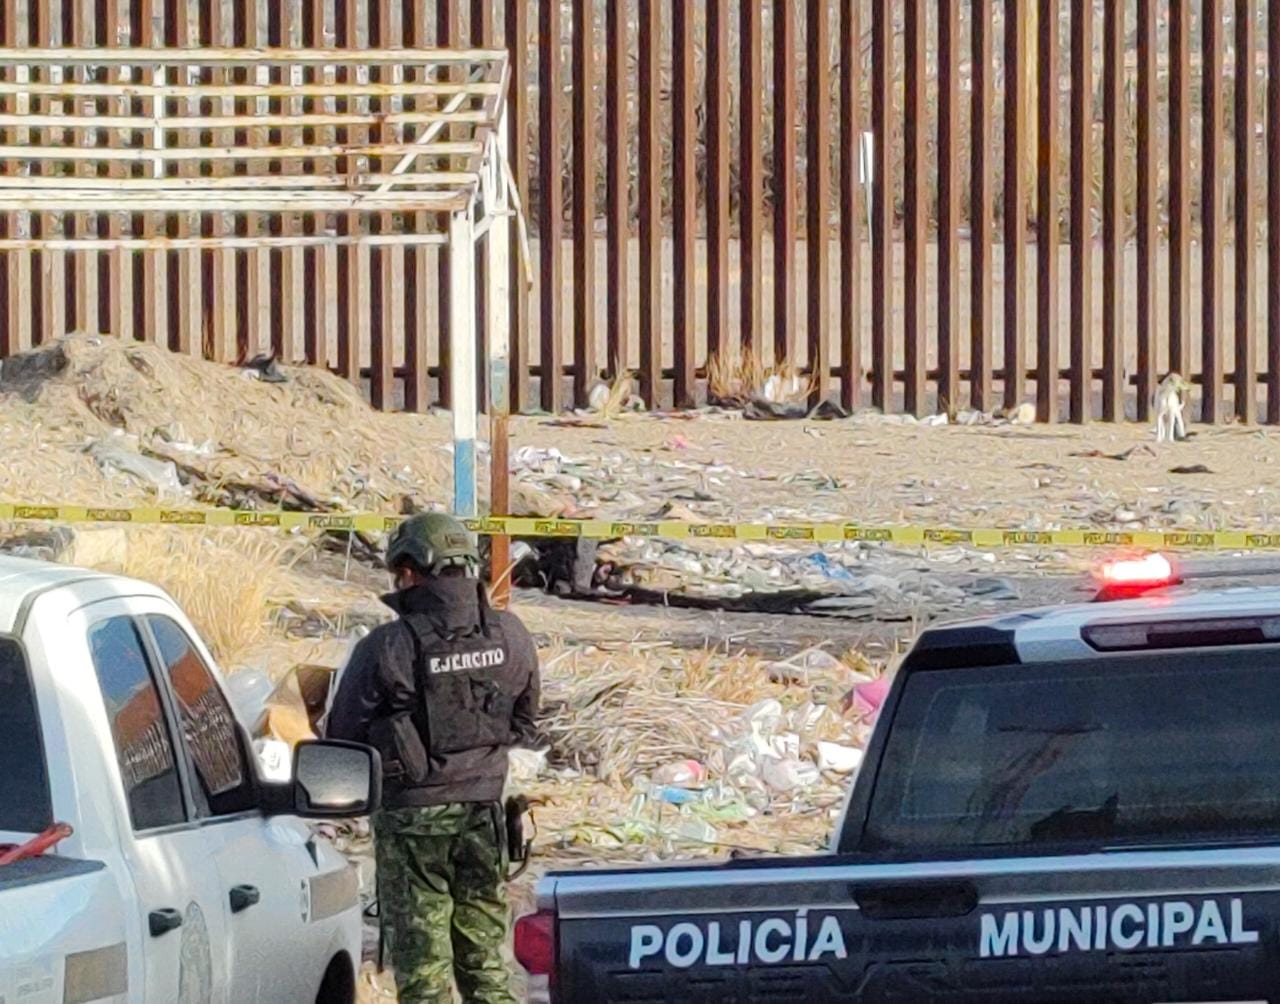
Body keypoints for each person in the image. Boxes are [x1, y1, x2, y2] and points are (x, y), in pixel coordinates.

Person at [327, 512, 540, 1004]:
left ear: (409, 571)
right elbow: (527, 723)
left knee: (424, 976)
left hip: (411, 824)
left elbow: (343, 736)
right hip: (484, 816)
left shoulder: (387, 646)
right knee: (486, 966)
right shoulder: (511, 634)